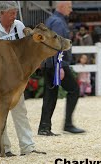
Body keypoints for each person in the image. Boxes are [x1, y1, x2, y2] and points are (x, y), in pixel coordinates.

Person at [0, 1, 46, 156]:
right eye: (11, 13)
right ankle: (5, 149)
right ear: (1, 14)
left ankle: (28, 147)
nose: (14, 16)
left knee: (20, 111)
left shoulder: (18, 25)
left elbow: (29, 44)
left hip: (17, 77)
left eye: (16, 13)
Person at [38, 1, 85, 136]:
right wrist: (59, 67)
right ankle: (68, 124)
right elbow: (57, 46)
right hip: (57, 64)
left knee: (50, 95)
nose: (71, 10)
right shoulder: (58, 22)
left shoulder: (50, 20)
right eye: (69, 7)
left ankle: (44, 127)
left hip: (48, 63)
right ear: (62, 6)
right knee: (74, 90)